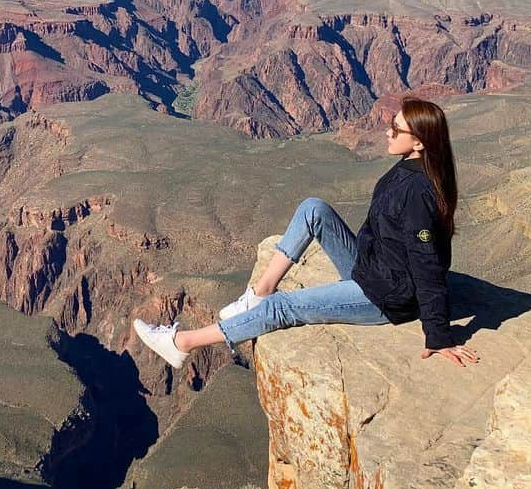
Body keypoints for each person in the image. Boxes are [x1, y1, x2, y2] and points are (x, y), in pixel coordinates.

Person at [133, 95, 480, 370]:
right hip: (372, 268)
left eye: (396, 129)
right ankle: (261, 292)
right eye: (392, 124)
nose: (387, 131)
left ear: (419, 143)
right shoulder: (409, 167)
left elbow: (428, 265)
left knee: (284, 308)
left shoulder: (418, 193)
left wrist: (438, 335)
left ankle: (182, 344)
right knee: (314, 208)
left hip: (384, 297)